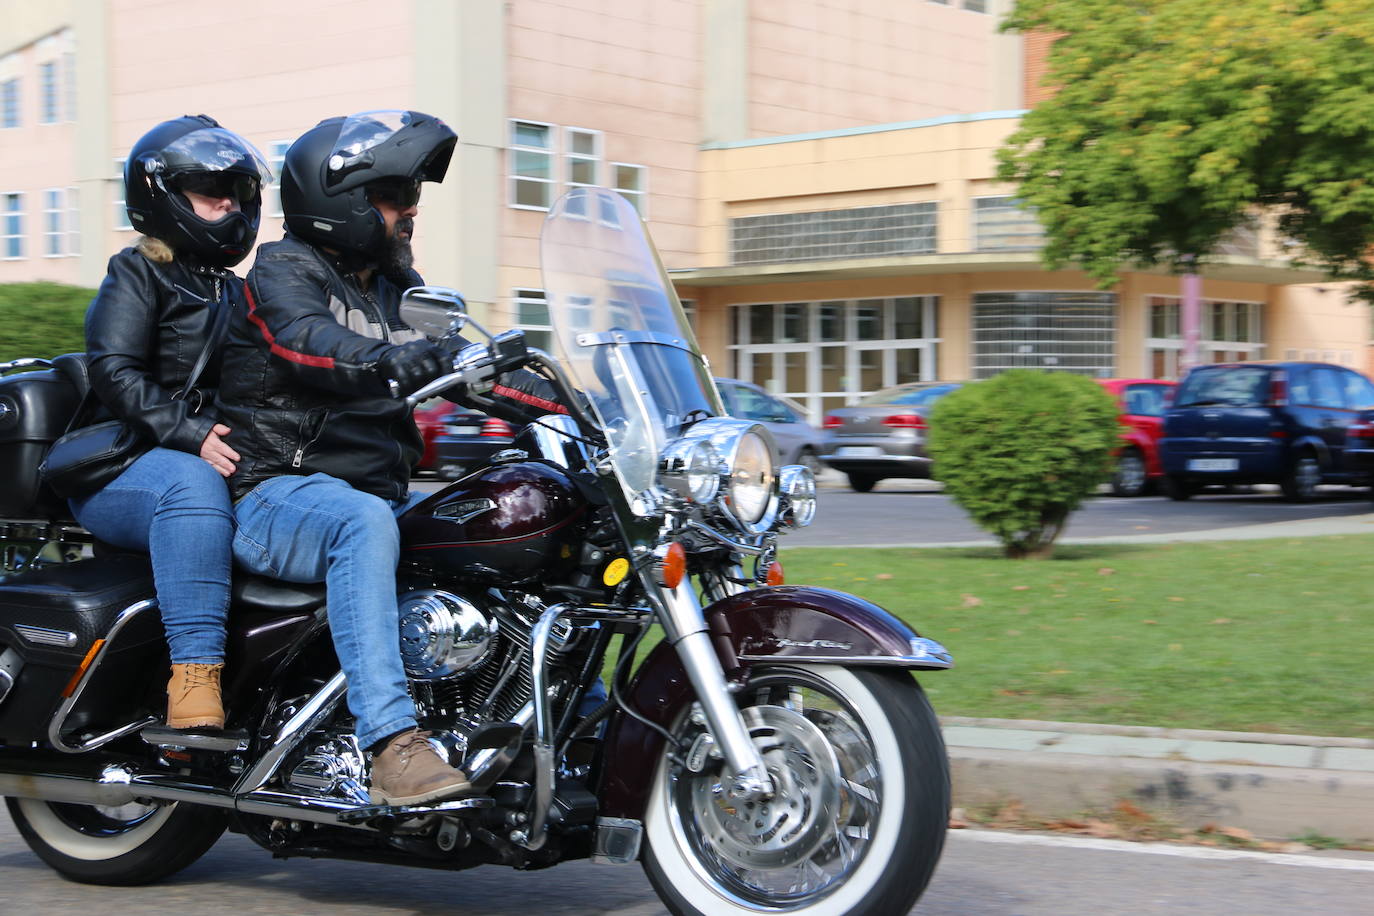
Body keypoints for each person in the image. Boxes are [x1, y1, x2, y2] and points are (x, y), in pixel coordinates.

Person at [215, 110, 475, 805]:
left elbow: (470, 366)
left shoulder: (398, 287)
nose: (411, 209)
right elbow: (307, 341)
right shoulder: (280, 272)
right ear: (343, 204)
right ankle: (392, 745)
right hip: (276, 494)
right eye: (394, 195)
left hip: (370, 494)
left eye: (412, 193)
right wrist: (395, 358)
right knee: (362, 523)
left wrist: (577, 398)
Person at [73, 115, 270, 729]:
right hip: (122, 465)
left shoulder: (243, 292)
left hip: (209, 457)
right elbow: (113, 370)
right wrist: (188, 435)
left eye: (237, 194)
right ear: (163, 196)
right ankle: (194, 678)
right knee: (193, 487)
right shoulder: (137, 272)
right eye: (210, 193)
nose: (229, 206)